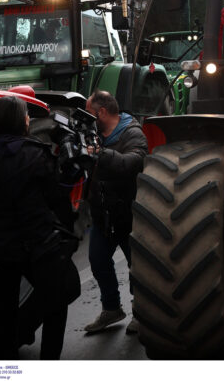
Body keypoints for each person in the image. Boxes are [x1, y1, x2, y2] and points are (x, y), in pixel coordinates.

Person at [0, 96, 80, 359]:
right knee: (58, 302)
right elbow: (56, 198)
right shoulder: (36, 154)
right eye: (26, 115)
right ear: (20, 121)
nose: (28, 120)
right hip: (37, 248)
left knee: (1, 320)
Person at [83, 90, 148, 334]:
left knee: (137, 268)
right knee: (98, 262)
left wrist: (101, 154)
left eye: (89, 112)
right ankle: (112, 309)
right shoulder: (93, 133)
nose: (86, 118)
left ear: (101, 112)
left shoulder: (132, 133)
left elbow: (134, 162)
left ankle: (140, 313)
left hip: (129, 214)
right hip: (102, 215)